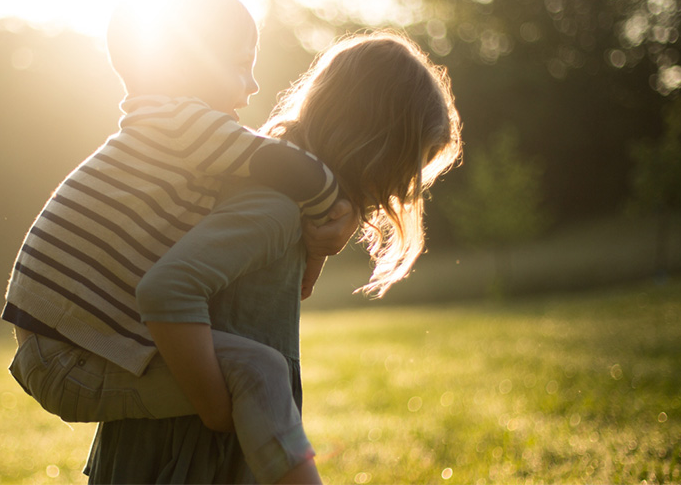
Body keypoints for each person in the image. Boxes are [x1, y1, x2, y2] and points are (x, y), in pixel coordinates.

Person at [3, 0, 354, 484]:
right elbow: (286, 165)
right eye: (239, 64)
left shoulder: (165, 131)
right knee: (261, 370)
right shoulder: (181, 123)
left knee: (251, 369)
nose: (253, 85)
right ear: (186, 64)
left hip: (64, 347)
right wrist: (333, 211)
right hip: (69, 356)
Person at [84, 31, 463, 483]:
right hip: (186, 448)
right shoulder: (274, 208)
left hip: (210, 435)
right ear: (375, 142)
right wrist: (216, 407)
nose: (405, 187)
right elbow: (169, 289)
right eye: (411, 162)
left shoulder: (289, 204)